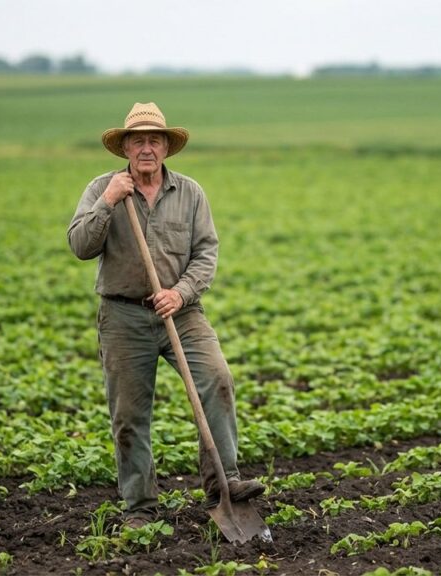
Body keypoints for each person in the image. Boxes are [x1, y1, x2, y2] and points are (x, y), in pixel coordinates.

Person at [67, 102, 264, 528]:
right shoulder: (102, 188)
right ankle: (140, 508)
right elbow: (80, 246)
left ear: (166, 148)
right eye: (137, 140)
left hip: (184, 312)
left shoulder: (190, 193)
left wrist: (181, 292)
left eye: (154, 140)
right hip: (123, 317)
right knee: (129, 415)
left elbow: (206, 251)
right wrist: (107, 204)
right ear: (124, 147)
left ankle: (224, 483)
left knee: (217, 379)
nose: (146, 148)